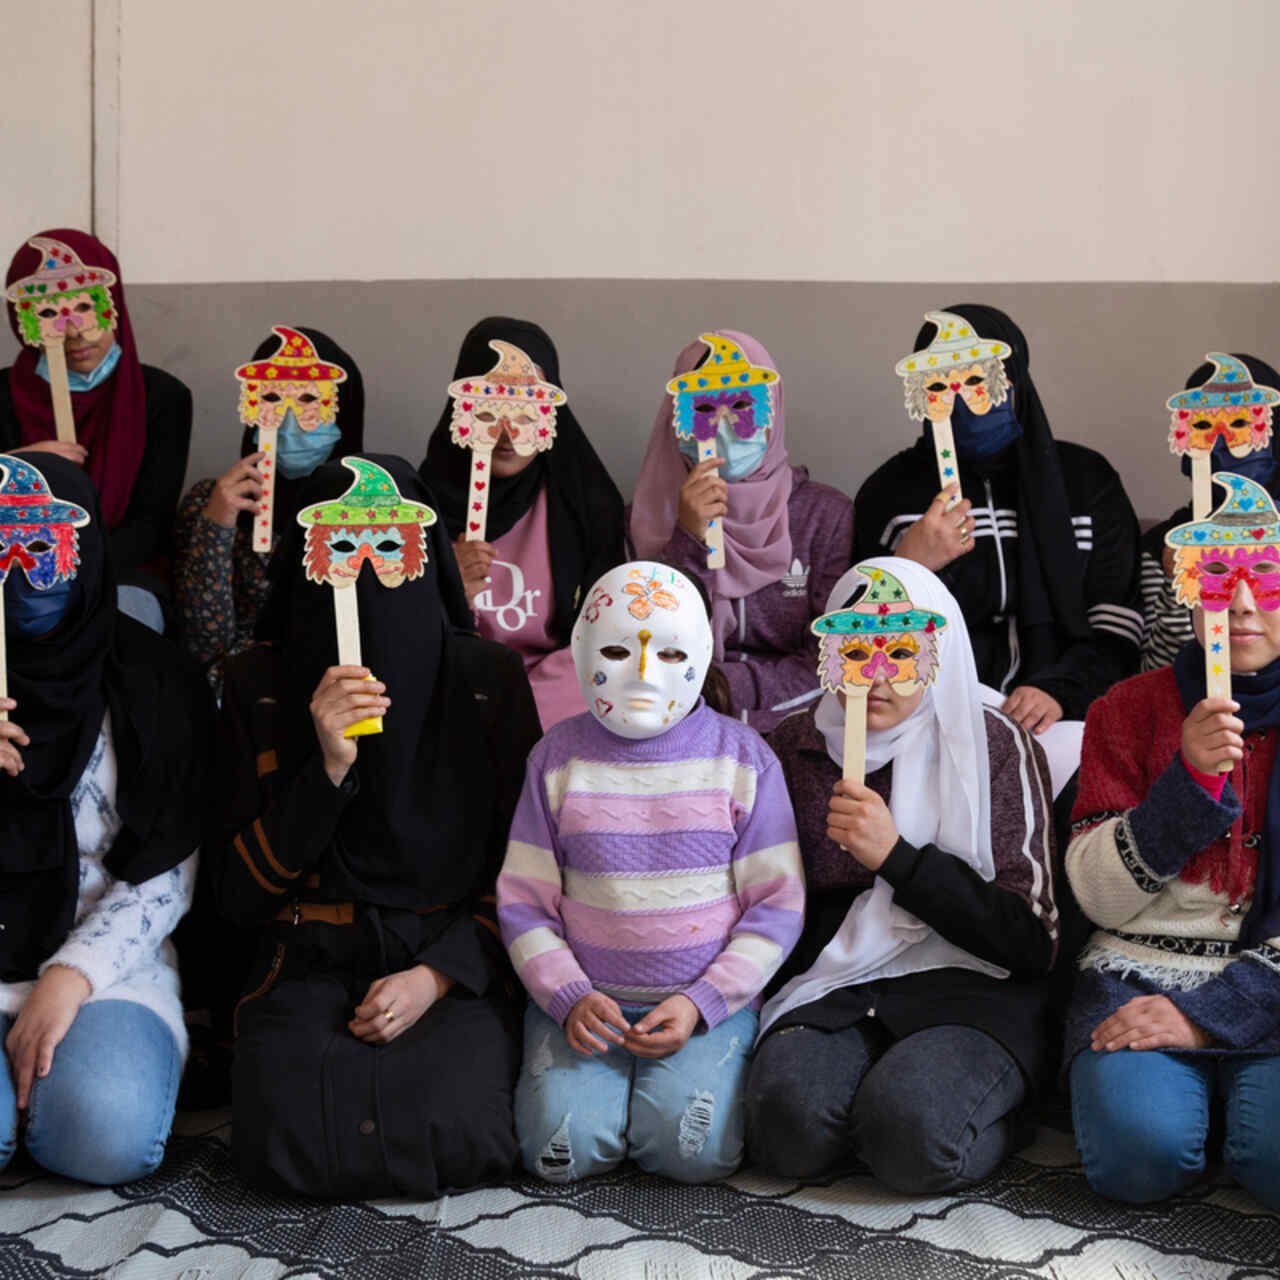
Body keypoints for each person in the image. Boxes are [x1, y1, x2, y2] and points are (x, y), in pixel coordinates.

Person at [208, 454, 540, 1198]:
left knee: (464, 1133)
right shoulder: (256, 683)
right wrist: (324, 772)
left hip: (446, 955)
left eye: (388, 548)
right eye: (339, 551)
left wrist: (434, 977)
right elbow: (233, 896)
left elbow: (522, 872)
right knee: (284, 1143)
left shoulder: (486, 680)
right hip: (305, 950)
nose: (362, 571)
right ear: (305, 560)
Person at [746, 558, 1058, 1192]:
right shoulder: (793, 745)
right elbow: (768, 898)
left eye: (903, 652)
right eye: (856, 649)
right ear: (828, 654)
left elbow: (1030, 941)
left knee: (912, 1134)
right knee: (786, 1129)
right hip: (833, 983)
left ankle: (982, 1110)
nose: (877, 676)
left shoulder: (994, 744)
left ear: (937, 654)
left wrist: (897, 857)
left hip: (970, 983)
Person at [498, 561, 804, 1184]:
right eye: (615, 648)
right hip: (582, 1007)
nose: (642, 673)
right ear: (582, 650)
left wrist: (703, 1002)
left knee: (692, 1155)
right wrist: (568, 996)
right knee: (561, 1155)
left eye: (668, 653)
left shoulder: (744, 760)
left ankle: (650, 1108)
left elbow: (777, 904)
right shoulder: (554, 759)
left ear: (701, 653)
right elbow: (524, 900)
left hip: (706, 1008)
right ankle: (611, 1108)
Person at [1065, 473, 1280, 1209]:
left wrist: (1208, 1017)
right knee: (1141, 1158)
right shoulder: (1125, 710)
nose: (1243, 604)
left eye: (1268, 580)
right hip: (1137, 974)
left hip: (1274, 986)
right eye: (1217, 577)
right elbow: (1096, 896)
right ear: (1187, 589)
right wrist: (1186, 782)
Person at [0, 453, 210, 1184]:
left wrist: (70, 977)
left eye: (46, 542)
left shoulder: (156, 678)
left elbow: (168, 867)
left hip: (110, 965)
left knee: (101, 1136)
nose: (27, 574)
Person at [854, 306, 1141, 741]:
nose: (964, 400)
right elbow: (858, 633)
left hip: (1066, 716)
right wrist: (909, 563)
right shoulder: (890, 491)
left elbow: (1117, 620)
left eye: (978, 380)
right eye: (941, 385)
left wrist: (1060, 690)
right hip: (927, 718)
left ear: (1015, 377)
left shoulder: (1086, 481)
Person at [630, 330, 853, 734]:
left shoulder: (825, 517)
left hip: (797, 729)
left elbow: (831, 657)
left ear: (774, 411)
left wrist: (727, 696)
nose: (724, 427)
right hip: (673, 725)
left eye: (742, 405)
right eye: (702, 408)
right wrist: (687, 539)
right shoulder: (646, 519)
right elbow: (646, 639)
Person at [420, 317, 625, 730]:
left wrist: (520, 711)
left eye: (526, 410)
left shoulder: (587, 504)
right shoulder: (418, 506)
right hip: (451, 699)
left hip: (558, 703)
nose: (507, 433)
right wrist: (441, 584)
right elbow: (399, 638)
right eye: (490, 409)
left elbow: (604, 631)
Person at [2, 230, 193, 631]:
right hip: (15, 566)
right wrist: (15, 467)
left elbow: (150, 525)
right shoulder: (2, 396)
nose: (73, 331)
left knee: (128, 627)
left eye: (85, 307)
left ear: (113, 304)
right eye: (49, 314)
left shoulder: (163, 397)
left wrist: (83, 569)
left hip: (123, 571)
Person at [174, 325, 364, 690]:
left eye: (310, 401)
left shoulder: (373, 511)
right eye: (274, 400)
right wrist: (216, 527)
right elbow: (204, 647)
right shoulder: (209, 501)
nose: (291, 422)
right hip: (246, 687)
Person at [1141, 353, 1280, 671]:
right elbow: (1158, 664)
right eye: (1205, 425)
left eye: (1241, 422)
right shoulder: (1163, 548)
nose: (1223, 442)